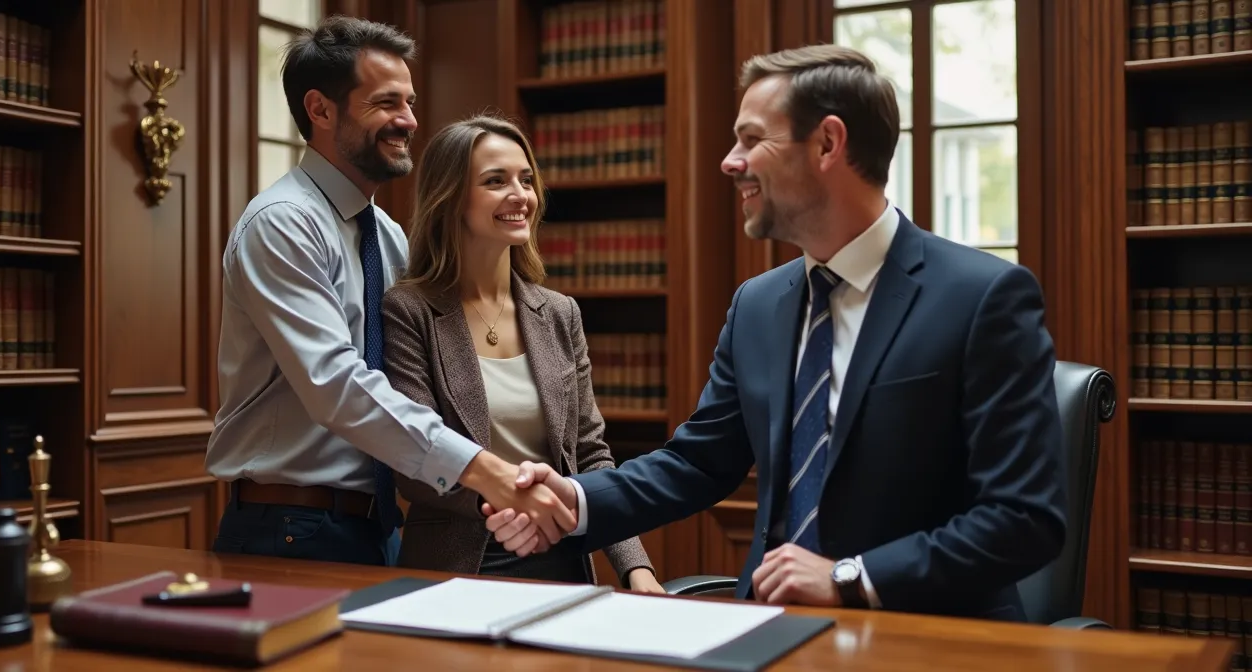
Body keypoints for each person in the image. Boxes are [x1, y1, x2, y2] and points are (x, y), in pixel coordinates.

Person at [483, 44, 1068, 621]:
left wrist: (849, 578)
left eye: (752, 139)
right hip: (770, 630)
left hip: (932, 642)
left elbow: (1024, 519)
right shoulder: (758, 305)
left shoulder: (984, 297)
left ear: (827, 143)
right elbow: (698, 463)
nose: (729, 161)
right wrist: (575, 499)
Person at [205, 16, 574, 567]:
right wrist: (487, 472)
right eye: (386, 103)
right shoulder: (282, 223)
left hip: (377, 527)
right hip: (287, 527)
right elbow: (336, 384)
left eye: (409, 101)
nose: (409, 120)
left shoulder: (388, 236)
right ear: (321, 110)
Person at [380, 115, 664, 592]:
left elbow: (591, 454)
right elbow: (414, 462)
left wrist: (637, 568)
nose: (521, 196)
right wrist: (515, 503)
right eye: (496, 181)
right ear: (451, 198)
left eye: (526, 180)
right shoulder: (409, 310)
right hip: (454, 570)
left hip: (562, 561)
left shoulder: (559, 313)